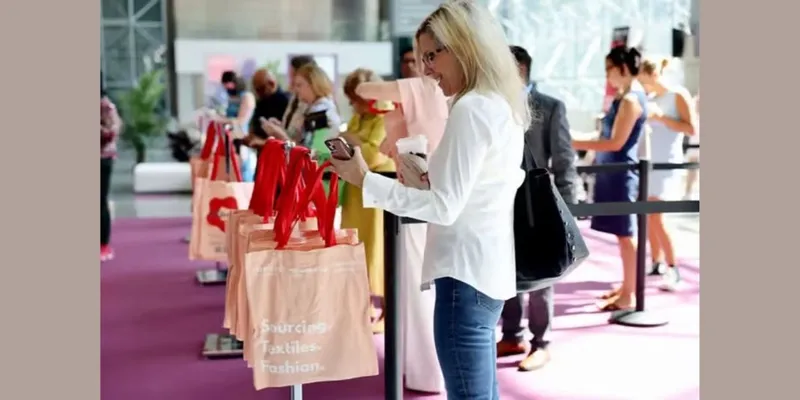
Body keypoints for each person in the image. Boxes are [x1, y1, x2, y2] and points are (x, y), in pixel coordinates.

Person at [329, 1, 530, 398]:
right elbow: (469, 192)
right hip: (486, 268)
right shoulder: (497, 103)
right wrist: (421, 180)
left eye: (431, 56)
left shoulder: (472, 108)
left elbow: (444, 207)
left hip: (464, 272)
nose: (426, 69)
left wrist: (366, 180)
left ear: (460, 45)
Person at [355, 74, 448, 393]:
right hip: (429, 199)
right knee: (423, 288)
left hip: (419, 201)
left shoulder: (421, 88)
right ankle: (421, 368)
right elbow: (387, 148)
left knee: (421, 289)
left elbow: (363, 89)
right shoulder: (440, 95)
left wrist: (387, 88)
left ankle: (427, 371)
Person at [497, 45, 579, 372]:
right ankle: (511, 334)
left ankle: (541, 342)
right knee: (506, 270)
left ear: (519, 69)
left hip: (540, 203)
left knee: (543, 273)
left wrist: (568, 208)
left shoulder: (550, 106)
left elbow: (564, 160)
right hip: (502, 203)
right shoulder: (495, 105)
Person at [572, 45, 648, 311]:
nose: (607, 76)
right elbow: (606, 138)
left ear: (622, 68)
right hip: (613, 173)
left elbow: (616, 143)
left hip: (620, 174)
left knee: (626, 234)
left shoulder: (630, 100)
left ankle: (630, 293)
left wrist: (573, 142)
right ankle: (627, 287)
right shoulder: (624, 97)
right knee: (621, 235)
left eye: (609, 70)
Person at [339, 68, 395, 333]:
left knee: (377, 250)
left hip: (377, 190)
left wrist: (351, 140)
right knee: (356, 246)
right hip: (356, 191)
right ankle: (362, 304)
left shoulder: (386, 116)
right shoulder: (359, 117)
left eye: (355, 99)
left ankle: (382, 308)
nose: (352, 105)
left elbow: (373, 157)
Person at [638, 57, 698, 290]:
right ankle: (657, 261)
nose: (643, 85)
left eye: (644, 80)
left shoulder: (677, 94)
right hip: (649, 163)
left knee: (656, 215)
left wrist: (661, 118)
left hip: (668, 164)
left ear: (654, 75)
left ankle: (674, 269)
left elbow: (691, 128)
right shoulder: (649, 99)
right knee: (649, 215)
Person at [262, 63, 340, 147]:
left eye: (299, 85)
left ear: (313, 85)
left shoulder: (320, 111)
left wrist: (281, 135)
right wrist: (280, 129)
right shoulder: (312, 107)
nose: (296, 90)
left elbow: (312, 150)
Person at [261, 55, 316, 142]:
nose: (291, 81)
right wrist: (279, 127)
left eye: (292, 75)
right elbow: (291, 132)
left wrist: (281, 135)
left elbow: (307, 145)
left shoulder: (317, 107)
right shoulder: (295, 98)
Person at [220, 71, 257, 181]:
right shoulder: (232, 97)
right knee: (232, 167)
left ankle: (246, 188)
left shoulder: (246, 97)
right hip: (230, 136)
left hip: (241, 135)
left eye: (227, 84)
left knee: (243, 167)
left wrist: (221, 119)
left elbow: (241, 120)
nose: (226, 88)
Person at [243, 68, 290, 154]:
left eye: (260, 89)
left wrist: (262, 142)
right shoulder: (262, 101)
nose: (258, 93)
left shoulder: (285, 102)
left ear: (272, 83)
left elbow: (286, 139)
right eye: (256, 90)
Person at [101, 86, 122, 262]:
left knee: (100, 200)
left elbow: (112, 131)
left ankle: (103, 244)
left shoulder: (105, 106)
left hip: (102, 158)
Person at [683, 92, 700, 200]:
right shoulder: (695, 100)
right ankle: (688, 191)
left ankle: (689, 191)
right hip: (696, 136)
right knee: (692, 165)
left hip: (696, 135)